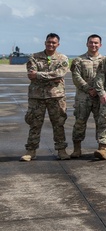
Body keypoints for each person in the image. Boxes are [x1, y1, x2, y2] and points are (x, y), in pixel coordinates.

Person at [21, 33, 70, 162]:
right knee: (34, 124)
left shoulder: (62, 58)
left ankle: (61, 150)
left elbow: (60, 73)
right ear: (45, 43)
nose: (51, 44)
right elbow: (31, 74)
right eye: (49, 42)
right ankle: (31, 151)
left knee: (58, 124)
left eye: (54, 43)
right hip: (37, 97)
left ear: (58, 44)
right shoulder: (34, 57)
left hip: (56, 96)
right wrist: (51, 76)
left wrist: (39, 75)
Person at [69, 34, 104, 158]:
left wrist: (98, 90)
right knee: (80, 122)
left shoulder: (105, 61)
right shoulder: (78, 60)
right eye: (91, 42)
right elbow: (76, 77)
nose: (93, 45)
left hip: (99, 97)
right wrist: (89, 89)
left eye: (96, 43)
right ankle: (77, 149)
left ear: (100, 45)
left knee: (101, 123)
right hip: (83, 97)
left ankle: (101, 148)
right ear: (87, 44)